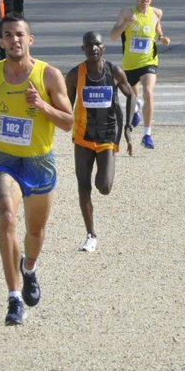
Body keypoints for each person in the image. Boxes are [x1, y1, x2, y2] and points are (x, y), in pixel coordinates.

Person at [0, 14, 75, 326]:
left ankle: (29, 269)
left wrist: (42, 105)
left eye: (20, 35)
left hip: (39, 163)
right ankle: (14, 299)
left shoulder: (49, 75)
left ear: (30, 40)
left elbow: (68, 123)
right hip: (5, 159)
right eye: (8, 35)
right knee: (6, 218)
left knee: (35, 232)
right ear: (0, 41)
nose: (14, 40)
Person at [65, 30, 136, 252]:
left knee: (103, 186)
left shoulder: (114, 71)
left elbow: (131, 95)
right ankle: (90, 234)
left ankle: (103, 170)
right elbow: (65, 104)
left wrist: (128, 128)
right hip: (83, 137)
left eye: (97, 44)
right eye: (89, 45)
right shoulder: (75, 74)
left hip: (107, 136)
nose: (93, 48)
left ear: (103, 48)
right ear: (83, 49)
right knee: (83, 187)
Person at [109, 0, 169, 149]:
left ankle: (147, 134)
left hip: (149, 61)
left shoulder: (157, 13)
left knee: (148, 91)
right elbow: (113, 36)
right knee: (133, 97)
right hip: (130, 64)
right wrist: (126, 24)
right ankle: (136, 108)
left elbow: (158, 31)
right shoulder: (127, 13)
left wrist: (162, 38)